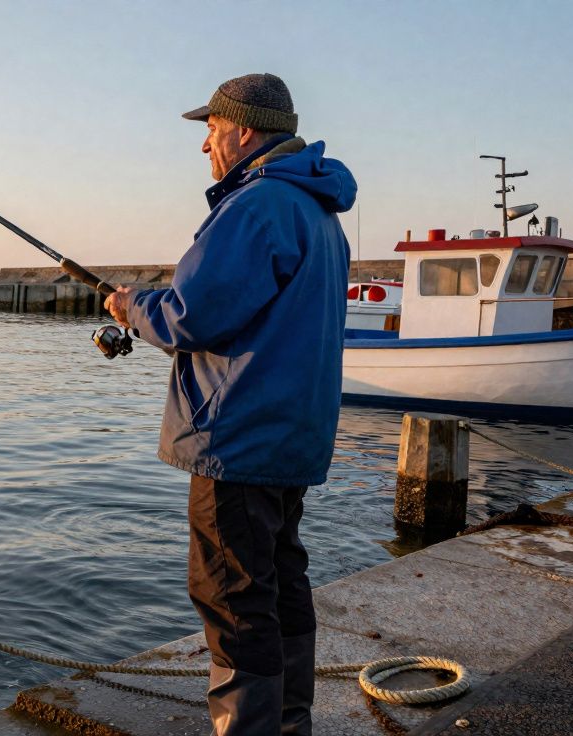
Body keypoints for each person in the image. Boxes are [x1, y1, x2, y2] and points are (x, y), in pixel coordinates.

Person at [104, 73, 355, 735]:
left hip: (236, 439)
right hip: (290, 437)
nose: (206, 146)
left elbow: (194, 315)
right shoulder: (317, 210)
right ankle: (287, 724)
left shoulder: (256, 205)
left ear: (243, 130)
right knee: (280, 585)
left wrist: (133, 306)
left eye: (211, 131)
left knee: (233, 599)